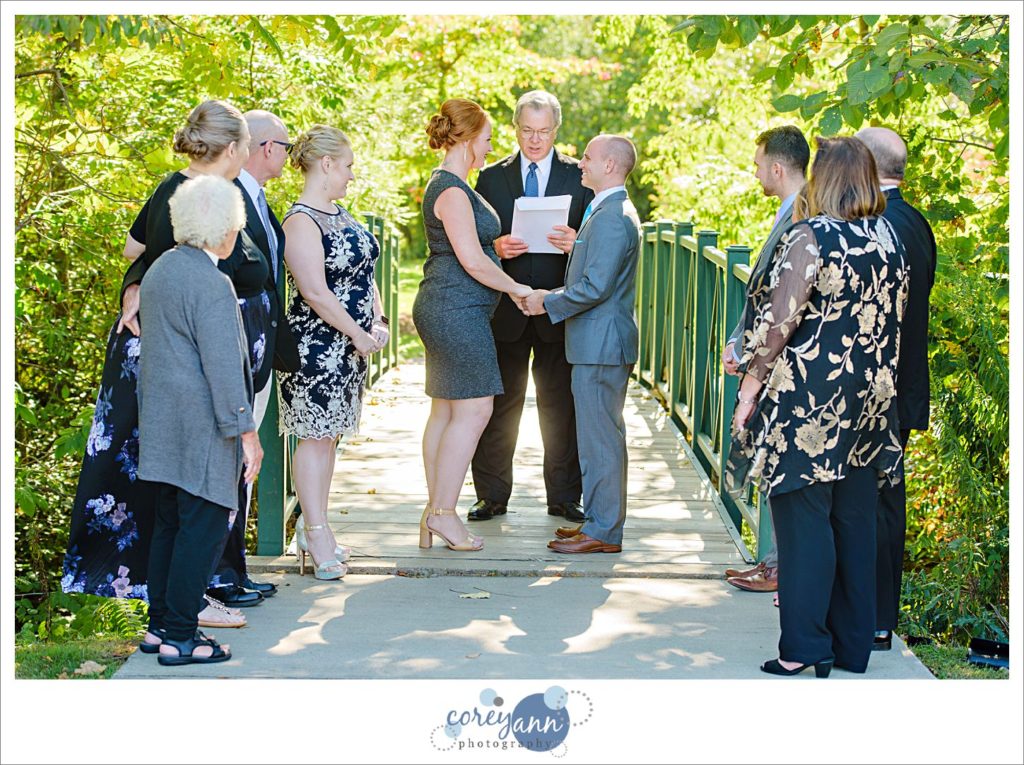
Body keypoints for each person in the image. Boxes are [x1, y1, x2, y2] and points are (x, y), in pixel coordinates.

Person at [62, 99, 255, 628]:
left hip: (175, 352)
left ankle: (175, 608)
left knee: (175, 492)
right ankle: (179, 612)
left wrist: (142, 280)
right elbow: (135, 251)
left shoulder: (186, 192)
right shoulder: (192, 197)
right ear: (234, 147)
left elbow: (134, 248)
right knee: (181, 489)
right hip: (176, 360)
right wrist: (139, 288)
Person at [726, 136, 909, 677]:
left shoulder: (812, 237)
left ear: (824, 178)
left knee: (804, 524)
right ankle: (852, 647)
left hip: (810, 402)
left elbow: (778, 325)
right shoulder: (887, 236)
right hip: (870, 403)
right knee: (854, 522)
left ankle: (803, 649)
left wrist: (748, 390)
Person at [137, 174, 262, 666]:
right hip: (204, 423)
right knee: (203, 526)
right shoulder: (212, 281)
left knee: (170, 525)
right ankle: (183, 637)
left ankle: (159, 627)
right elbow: (224, 364)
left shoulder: (162, 269)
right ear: (226, 231)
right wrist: (246, 432)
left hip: (164, 420)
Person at [468, 90, 593, 524]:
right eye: (527, 130)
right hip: (506, 309)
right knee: (500, 406)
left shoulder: (580, 176)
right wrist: (495, 245)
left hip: (559, 310)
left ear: (556, 130)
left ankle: (563, 496)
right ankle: (491, 496)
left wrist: (577, 241)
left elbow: (599, 246)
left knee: (561, 407)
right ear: (515, 128)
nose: (535, 140)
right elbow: (475, 240)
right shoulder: (491, 179)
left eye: (543, 132)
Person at [413, 98, 532, 551]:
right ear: (466, 140)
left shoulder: (451, 185)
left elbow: (474, 249)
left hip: (450, 305)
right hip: (455, 309)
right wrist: (517, 289)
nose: (488, 148)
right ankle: (444, 512)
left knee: (446, 410)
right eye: (485, 139)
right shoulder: (452, 190)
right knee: (477, 408)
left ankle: (433, 513)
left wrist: (494, 250)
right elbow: (470, 262)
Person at [521, 135, 642, 554]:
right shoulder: (607, 210)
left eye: (588, 158)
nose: (580, 164)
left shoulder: (611, 216)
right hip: (597, 343)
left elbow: (594, 287)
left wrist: (544, 301)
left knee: (601, 441)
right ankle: (598, 521)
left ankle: (604, 530)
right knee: (595, 439)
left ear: (610, 165)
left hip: (601, 345)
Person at [278, 125, 387, 580]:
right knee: (314, 437)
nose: (350, 176)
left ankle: (313, 523)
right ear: (326, 164)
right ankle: (317, 531)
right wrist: (357, 335)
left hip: (348, 350)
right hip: (315, 347)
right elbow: (315, 293)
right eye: (347, 166)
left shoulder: (342, 214)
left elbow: (364, 274)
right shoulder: (300, 221)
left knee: (330, 437)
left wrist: (377, 320)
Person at [204, 109, 298, 604]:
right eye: (284, 146)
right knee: (230, 460)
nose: (287, 154)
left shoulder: (260, 200)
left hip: (258, 348)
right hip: (233, 346)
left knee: (244, 463)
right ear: (264, 148)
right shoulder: (224, 197)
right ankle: (218, 574)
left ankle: (234, 568)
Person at [856, 126, 937, 651]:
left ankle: (874, 618)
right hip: (902, 384)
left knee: (871, 505)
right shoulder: (917, 222)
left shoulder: (876, 226)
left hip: (873, 389)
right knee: (886, 504)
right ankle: (881, 616)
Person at [723, 125, 809, 597]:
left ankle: (778, 567)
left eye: (758, 164)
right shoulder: (792, 212)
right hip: (767, 356)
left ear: (777, 168)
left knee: (779, 464)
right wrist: (740, 341)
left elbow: (782, 299)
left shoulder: (803, 217)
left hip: (783, 364)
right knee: (770, 463)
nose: (755, 172)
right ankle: (774, 563)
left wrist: (750, 351)